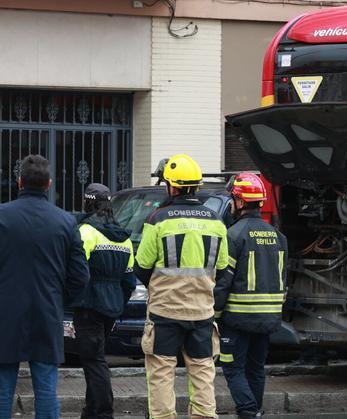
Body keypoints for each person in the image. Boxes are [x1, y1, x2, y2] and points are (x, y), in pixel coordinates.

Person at [134, 154, 229, 419]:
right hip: (202, 313)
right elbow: (222, 269)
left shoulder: (158, 218)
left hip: (165, 312)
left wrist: (161, 287)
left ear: (172, 187)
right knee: (202, 373)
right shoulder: (215, 221)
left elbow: (142, 266)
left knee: (161, 374)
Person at [0, 155, 90, 418]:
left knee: (2, 390)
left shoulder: (2, 217)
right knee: (47, 390)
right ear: (49, 184)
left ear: (19, 182)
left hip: (5, 314)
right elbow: (80, 276)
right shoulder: (65, 221)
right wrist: (59, 299)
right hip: (47, 312)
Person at [214, 173, 288, 419]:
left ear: (240, 201)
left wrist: (215, 313)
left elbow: (223, 281)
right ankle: (253, 411)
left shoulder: (233, 235)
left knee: (232, 368)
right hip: (268, 319)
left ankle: (248, 411)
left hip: (237, 319)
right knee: (256, 369)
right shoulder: (279, 237)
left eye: (233, 199)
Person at [75, 183, 137, 419]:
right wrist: (118, 302)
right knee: (96, 358)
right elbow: (129, 281)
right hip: (111, 307)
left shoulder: (86, 232)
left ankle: (102, 412)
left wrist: (73, 298)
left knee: (94, 361)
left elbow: (78, 272)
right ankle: (91, 410)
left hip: (89, 305)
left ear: (88, 203)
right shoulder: (124, 238)